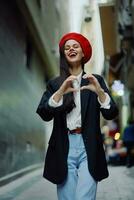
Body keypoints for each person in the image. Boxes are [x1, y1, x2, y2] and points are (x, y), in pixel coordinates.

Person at [36, 32, 118, 200]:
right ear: (63, 54)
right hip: (63, 145)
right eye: (67, 47)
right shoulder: (55, 83)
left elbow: (111, 114)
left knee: (84, 197)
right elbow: (44, 114)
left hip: (89, 145)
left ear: (83, 53)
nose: (71, 49)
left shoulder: (95, 80)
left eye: (75, 46)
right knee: (67, 197)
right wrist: (59, 93)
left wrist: (100, 93)